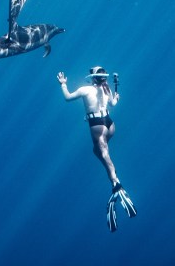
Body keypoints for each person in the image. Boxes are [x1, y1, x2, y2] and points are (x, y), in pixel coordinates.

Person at [57, 66, 136, 232]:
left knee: (105, 155)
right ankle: (114, 180)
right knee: (97, 151)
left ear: (92, 78)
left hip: (97, 126)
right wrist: (116, 97)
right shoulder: (107, 89)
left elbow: (68, 98)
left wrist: (63, 84)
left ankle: (116, 184)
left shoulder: (86, 89)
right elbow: (113, 103)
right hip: (110, 124)